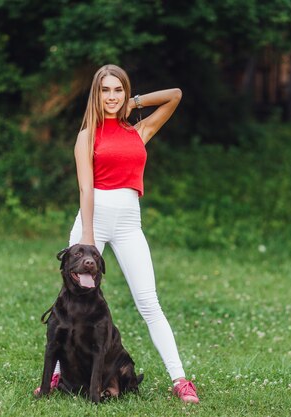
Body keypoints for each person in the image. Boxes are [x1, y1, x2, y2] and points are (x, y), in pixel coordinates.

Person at [38, 64, 199, 403]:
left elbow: (175, 96)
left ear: (125, 93)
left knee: (149, 302)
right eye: (105, 90)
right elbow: (85, 189)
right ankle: (54, 377)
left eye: (117, 90)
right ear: (95, 95)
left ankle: (180, 380)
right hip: (91, 220)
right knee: (68, 302)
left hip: (129, 225)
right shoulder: (86, 136)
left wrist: (135, 102)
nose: (111, 97)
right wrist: (86, 239)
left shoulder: (139, 131)